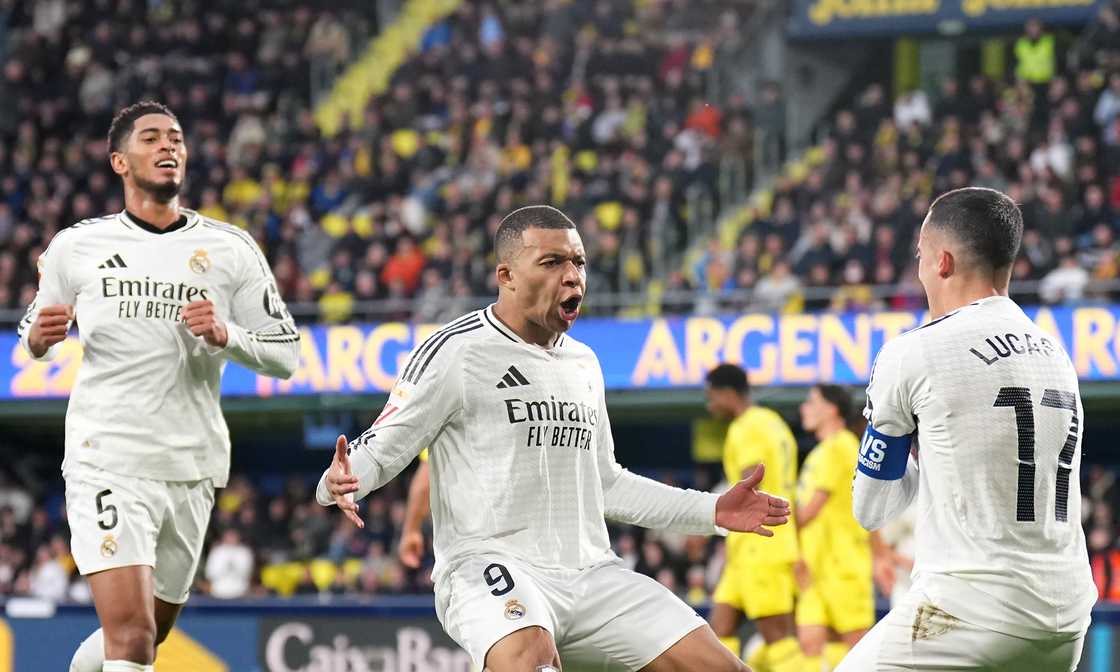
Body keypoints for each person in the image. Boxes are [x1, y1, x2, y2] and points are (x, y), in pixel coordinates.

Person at [317, 205, 791, 672]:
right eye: (552, 262)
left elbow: (607, 484)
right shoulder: (457, 352)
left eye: (578, 262)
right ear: (507, 275)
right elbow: (381, 446)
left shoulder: (583, 363)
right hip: (489, 566)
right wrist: (340, 478)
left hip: (591, 575)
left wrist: (712, 511)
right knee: (529, 656)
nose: (572, 276)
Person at [18, 100, 300, 672]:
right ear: (119, 161)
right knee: (131, 634)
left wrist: (228, 337)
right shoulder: (79, 246)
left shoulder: (231, 248)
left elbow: (287, 356)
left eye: (175, 138)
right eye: (151, 138)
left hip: (191, 464)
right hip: (109, 456)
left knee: (150, 630)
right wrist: (40, 339)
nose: (169, 146)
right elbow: (31, 330)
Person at [837, 187, 1096, 671]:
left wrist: (916, 454)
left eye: (919, 255)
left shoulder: (913, 352)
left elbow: (871, 508)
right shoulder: (1056, 353)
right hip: (1067, 619)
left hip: (970, 613)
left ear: (943, 262)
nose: (918, 270)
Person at [704, 363, 806, 672]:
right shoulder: (772, 421)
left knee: (777, 636)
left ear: (728, 393)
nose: (710, 405)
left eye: (712, 397)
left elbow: (750, 482)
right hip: (752, 545)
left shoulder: (745, 426)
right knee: (719, 630)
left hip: (761, 541)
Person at [794, 385, 875, 671]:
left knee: (857, 646)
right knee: (810, 644)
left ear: (831, 409)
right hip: (815, 567)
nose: (803, 407)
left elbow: (807, 513)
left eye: (811, 401)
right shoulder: (820, 452)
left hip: (843, 566)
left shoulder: (841, 445)